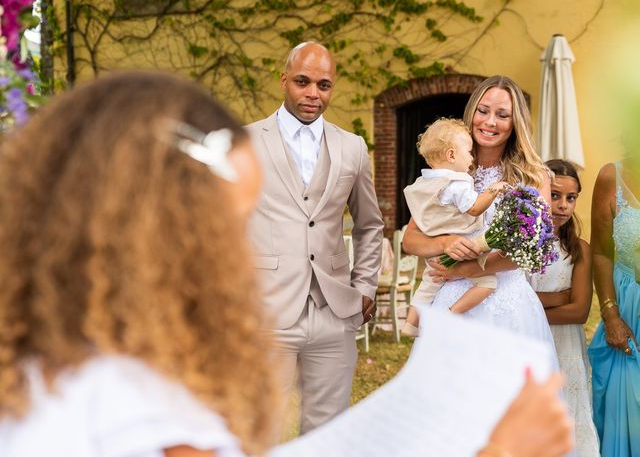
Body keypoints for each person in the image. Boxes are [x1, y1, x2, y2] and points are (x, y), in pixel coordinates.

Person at [0, 70, 573, 457]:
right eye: (228, 228)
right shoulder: (133, 408)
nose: (243, 260)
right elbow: (417, 236)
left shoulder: (42, 370)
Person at [0, 71, 279, 457]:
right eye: (230, 228)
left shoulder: (27, 368)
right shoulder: (149, 411)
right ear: (153, 234)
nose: (239, 252)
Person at [245, 41, 384, 435]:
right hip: (265, 310)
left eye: (323, 85)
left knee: (328, 433)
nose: (313, 94)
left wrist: (365, 286)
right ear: (283, 79)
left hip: (334, 311)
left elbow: (369, 223)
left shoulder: (352, 148)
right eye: (303, 82)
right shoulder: (246, 142)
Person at [401, 76, 559, 353]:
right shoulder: (447, 172)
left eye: (502, 115)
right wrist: (443, 244)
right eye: (483, 110)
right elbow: (410, 240)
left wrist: (467, 269)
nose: (489, 122)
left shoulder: (533, 176)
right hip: (449, 295)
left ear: (515, 123)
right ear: (471, 111)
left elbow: (534, 248)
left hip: (507, 303)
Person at [401, 118, 508, 337]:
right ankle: (451, 313)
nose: (471, 157)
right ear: (451, 155)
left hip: (437, 253)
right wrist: (493, 190)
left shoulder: (425, 184)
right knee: (488, 282)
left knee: (429, 283)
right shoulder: (456, 183)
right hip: (463, 248)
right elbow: (475, 208)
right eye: (468, 152)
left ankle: (411, 323)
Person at [529, 159, 599, 456]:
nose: (562, 206)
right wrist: (559, 297)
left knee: (567, 417)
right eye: (555, 195)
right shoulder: (524, 244)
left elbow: (579, 312)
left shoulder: (579, 249)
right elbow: (514, 295)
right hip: (528, 343)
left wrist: (530, 305)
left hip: (566, 348)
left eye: (571, 198)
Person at [588, 157, 640, 456]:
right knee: (625, 407)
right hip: (626, 308)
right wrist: (610, 313)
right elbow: (601, 252)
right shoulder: (611, 176)